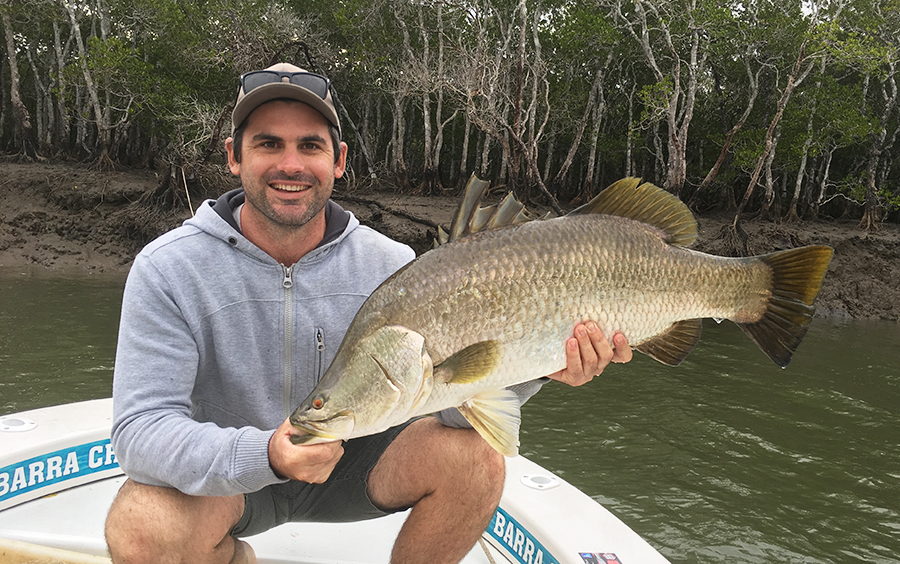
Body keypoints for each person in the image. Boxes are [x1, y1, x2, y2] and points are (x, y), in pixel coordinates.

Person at [104, 62, 633, 564]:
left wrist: (539, 365)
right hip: (235, 474)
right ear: (233, 157)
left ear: (338, 160)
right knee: (142, 525)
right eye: (268, 144)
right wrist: (265, 452)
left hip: (356, 465)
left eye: (310, 145)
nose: (291, 164)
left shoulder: (394, 266)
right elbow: (142, 432)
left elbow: (447, 408)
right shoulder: (167, 268)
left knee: (476, 459)